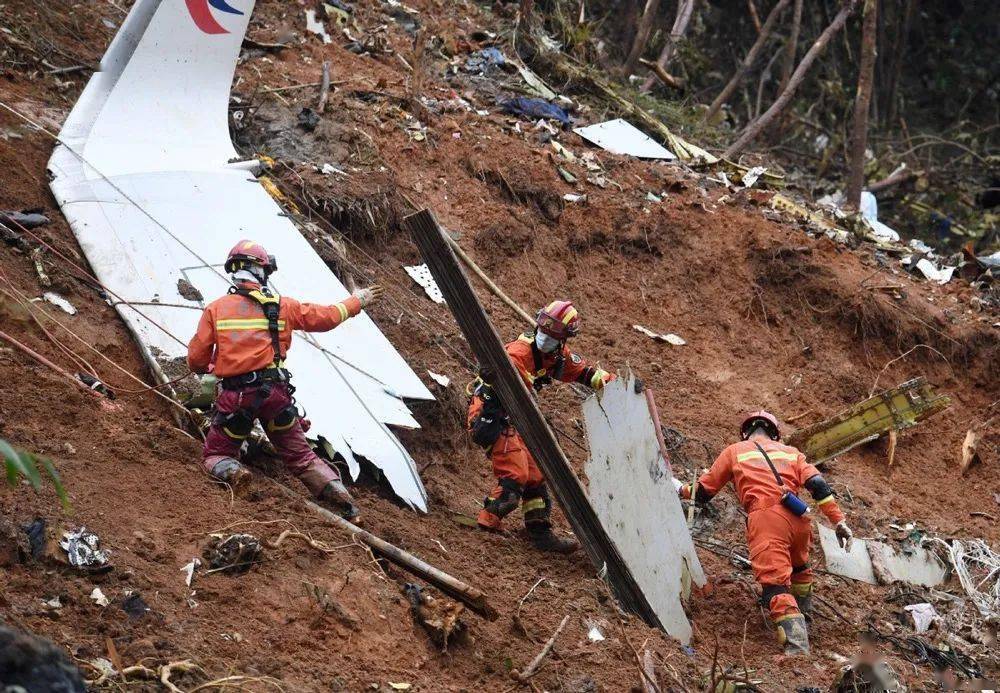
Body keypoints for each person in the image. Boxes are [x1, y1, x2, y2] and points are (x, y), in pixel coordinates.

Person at [187, 240, 382, 519]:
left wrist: (206, 365)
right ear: (260, 271)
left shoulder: (216, 309)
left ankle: (233, 470)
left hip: (237, 399)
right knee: (302, 458)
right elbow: (327, 318)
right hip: (276, 396)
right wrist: (357, 301)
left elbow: (196, 358)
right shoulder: (284, 306)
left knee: (216, 454)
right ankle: (347, 505)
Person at [678, 411, 853, 655]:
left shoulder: (735, 451)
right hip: (799, 517)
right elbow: (818, 485)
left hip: (767, 518)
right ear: (775, 434)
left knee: (775, 585)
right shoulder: (791, 452)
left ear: (746, 432)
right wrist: (839, 521)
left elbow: (704, 492)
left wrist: (680, 490)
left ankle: (798, 649)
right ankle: (805, 620)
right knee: (800, 569)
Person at [467, 300, 615, 553]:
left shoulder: (556, 355)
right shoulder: (516, 355)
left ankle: (539, 533)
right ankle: (488, 521)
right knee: (516, 474)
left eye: (553, 335)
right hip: (490, 414)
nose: (546, 337)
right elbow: (517, 394)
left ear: (563, 339)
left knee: (536, 475)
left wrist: (619, 386)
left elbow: (587, 374)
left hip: (516, 418)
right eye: (544, 331)